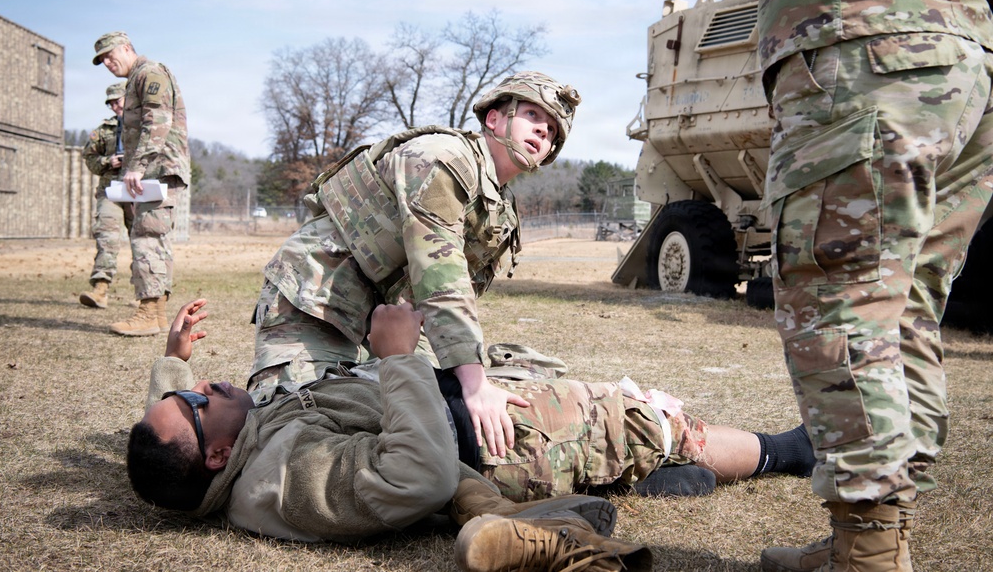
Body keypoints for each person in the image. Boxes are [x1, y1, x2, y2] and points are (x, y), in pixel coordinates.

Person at [126, 299, 814, 560]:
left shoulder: (217, 458)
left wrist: (172, 362)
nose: (206, 385)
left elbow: (163, 437)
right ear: (217, 453)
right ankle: (792, 450)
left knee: (620, 428)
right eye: (196, 398)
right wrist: (396, 359)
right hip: (497, 447)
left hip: (458, 410)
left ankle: (657, 477)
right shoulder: (283, 478)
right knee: (646, 417)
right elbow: (417, 476)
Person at [727, 0, 993, 570]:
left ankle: (869, 553)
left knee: (838, 302)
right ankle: (879, 533)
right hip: (957, 58)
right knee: (904, 309)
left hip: (869, 49)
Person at [250, 71, 581, 460]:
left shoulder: (501, 209)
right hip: (319, 292)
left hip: (396, 311)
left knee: (427, 418)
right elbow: (440, 275)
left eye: (552, 132)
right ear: (494, 118)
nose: (542, 132)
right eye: (531, 115)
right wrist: (473, 384)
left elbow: (439, 300)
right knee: (295, 428)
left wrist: (452, 380)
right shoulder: (442, 158)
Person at [93, 31, 190, 337]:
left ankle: (148, 312)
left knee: (146, 237)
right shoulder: (138, 77)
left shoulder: (149, 73)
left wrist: (136, 167)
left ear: (126, 48)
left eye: (111, 55)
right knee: (154, 237)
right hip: (156, 168)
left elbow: (157, 121)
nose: (108, 63)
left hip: (157, 168)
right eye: (103, 61)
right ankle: (157, 313)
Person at [79, 81, 134, 309]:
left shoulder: (143, 125)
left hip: (138, 190)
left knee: (142, 240)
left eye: (117, 100)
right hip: (110, 190)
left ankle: (145, 295)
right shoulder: (103, 130)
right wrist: (106, 161)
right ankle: (100, 289)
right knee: (106, 237)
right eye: (110, 102)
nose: (114, 106)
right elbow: (89, 158)